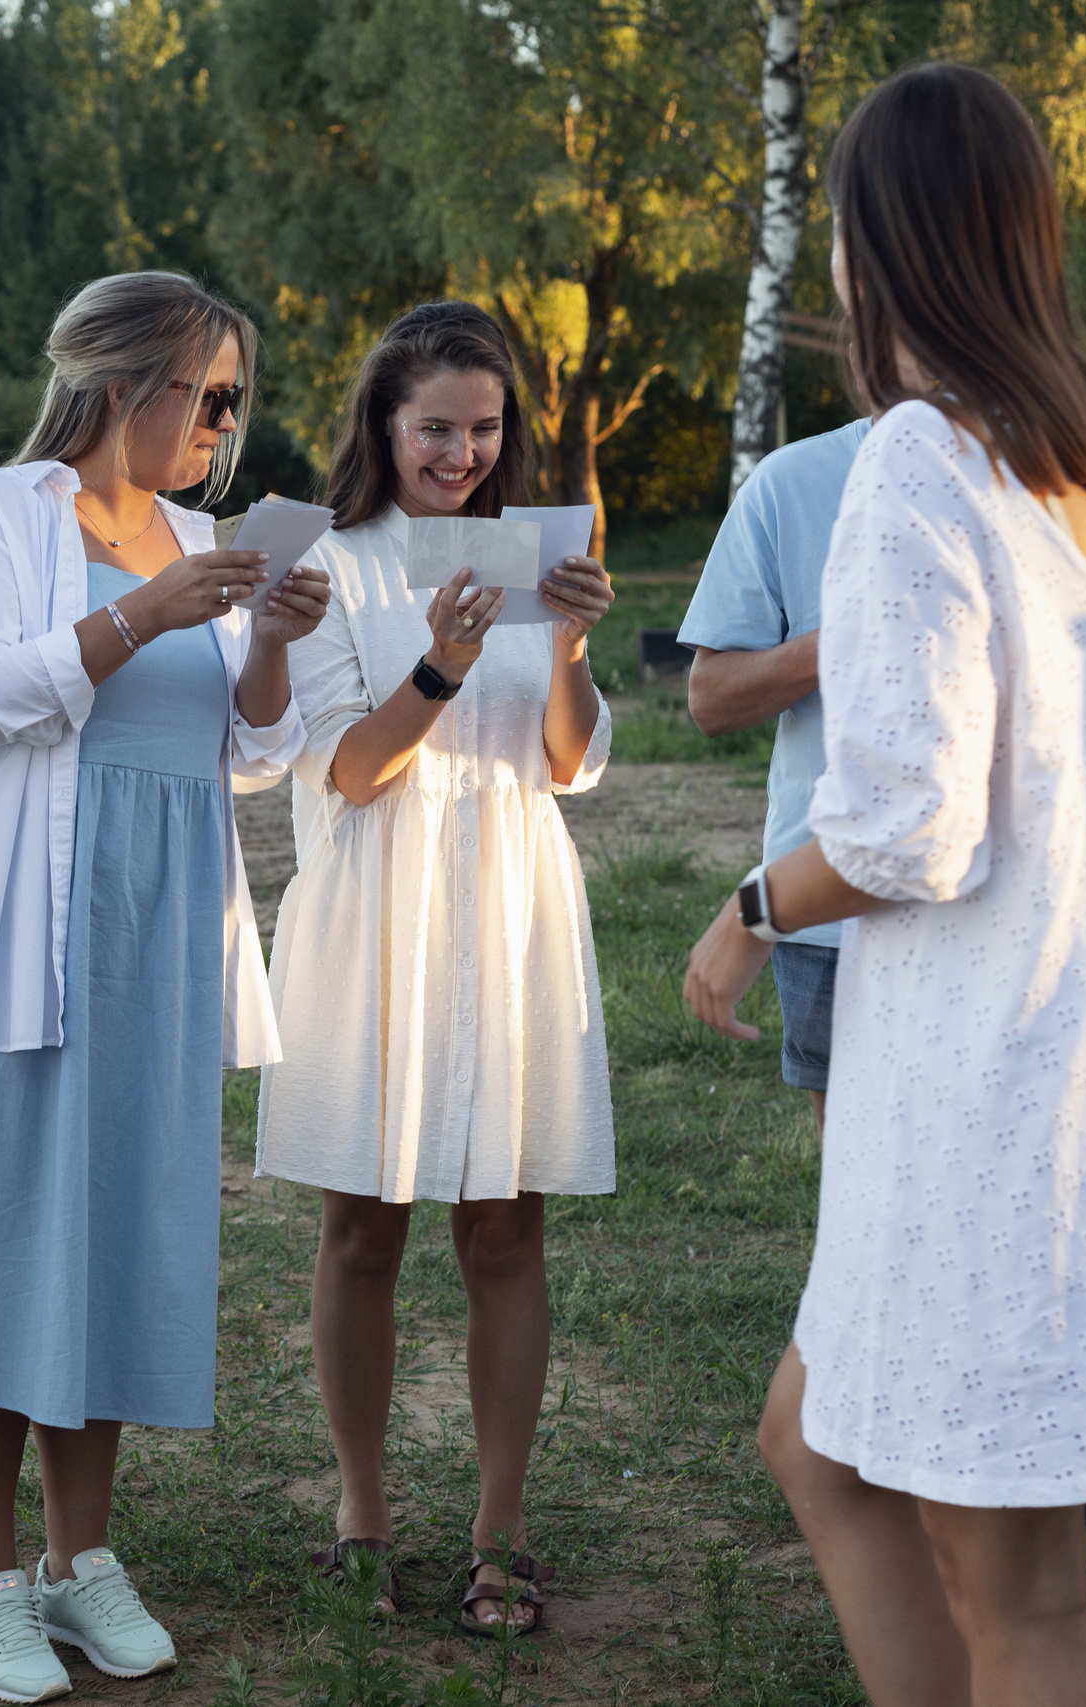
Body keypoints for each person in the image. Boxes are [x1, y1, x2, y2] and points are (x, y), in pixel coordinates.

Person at [683, 64, 1086, 1702]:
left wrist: (743, 911)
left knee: (1028, 1598)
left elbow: (908, 831)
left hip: (1011, 1087)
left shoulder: (922, 458)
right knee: (820, 1444)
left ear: (873, 243)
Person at [0, 271, 330, 1703]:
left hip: (156, 938)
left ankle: (79, 1554)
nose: (225, 431)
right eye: (211, 397)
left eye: (236, 404)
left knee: (109, 1236)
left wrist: (272, 636)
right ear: (128, 386)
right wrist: (145, 613)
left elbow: (252, 752)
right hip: (12, 928)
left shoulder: (201, 537)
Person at [254, 300, 614, 1633]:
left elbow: (571, 760)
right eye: (435, 428)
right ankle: (362, 1506)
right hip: (376, 910)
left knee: (506, 1227)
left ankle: (500, 1524)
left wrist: (567, 648)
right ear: (385, 426)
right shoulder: (336, 563)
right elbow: (351, 767)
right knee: (363, 1231)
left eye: (483, 427)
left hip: (507, 906)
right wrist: (445, 661)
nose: (461, 451)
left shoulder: (532, 554)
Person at [680, 418, 867, 1126]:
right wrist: (844, 637)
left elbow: (923, 810)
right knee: (856, 1201)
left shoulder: (1054, 481)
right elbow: (711, 699)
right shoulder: (793, 482)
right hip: (825, 919)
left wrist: (751, 912)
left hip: (1003, 924)